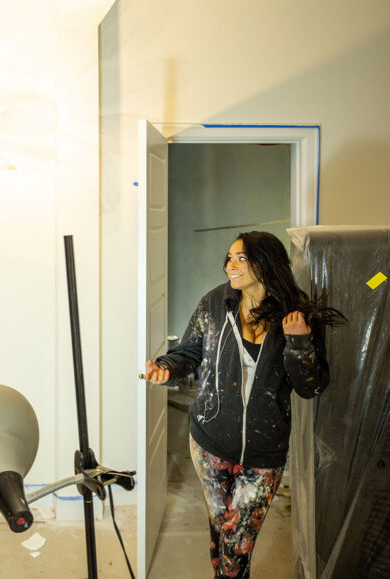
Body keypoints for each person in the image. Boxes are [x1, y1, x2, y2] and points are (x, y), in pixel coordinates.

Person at [143, 231, 345, 578]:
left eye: (241, 259)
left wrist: (299, 344)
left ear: (265, 264)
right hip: (208, 442)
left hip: (263, 455)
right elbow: (189, 352)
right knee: (221, 529)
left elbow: (311, 388)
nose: (229, 266)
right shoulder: (215, 304)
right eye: (229, 257)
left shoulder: (295, 316)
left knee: (237, 544)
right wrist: (166, 368)